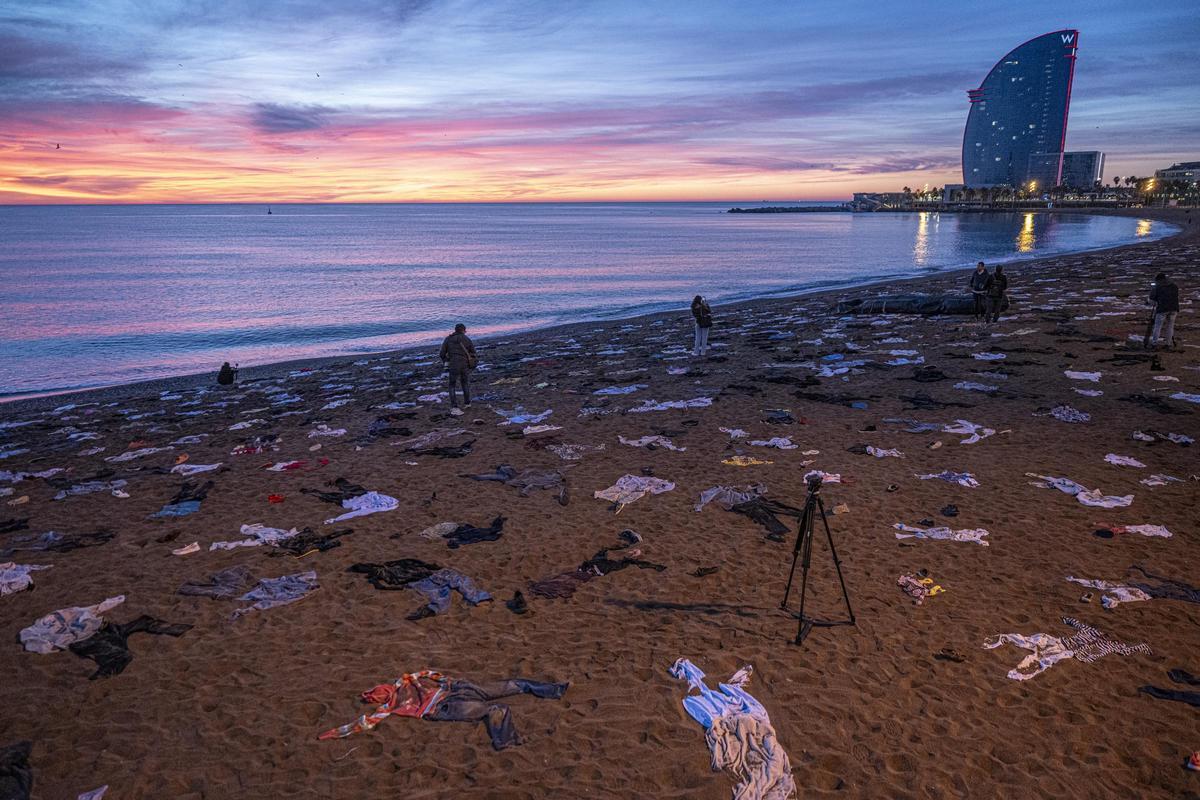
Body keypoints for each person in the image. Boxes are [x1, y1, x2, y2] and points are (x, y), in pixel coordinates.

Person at [439, 323, 477, 415]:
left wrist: (446, 361)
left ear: (455, 330)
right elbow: (474, 353)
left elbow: (442, 354)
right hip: (464, 364)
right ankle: (467, 403)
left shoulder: (448, 339)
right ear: (463, 330)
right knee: (464, 383)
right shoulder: (467, 339)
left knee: (452, 385)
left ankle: (454, 406)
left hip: (453, 365)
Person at [1146, 272, 1180, 350]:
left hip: (1162, 309)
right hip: (1174, 308)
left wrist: (1148, 301)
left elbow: (1152, 300)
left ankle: (1154, 343)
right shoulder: (1174, 286)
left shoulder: (1157, 287)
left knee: (1157, 326)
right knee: (1170, 326)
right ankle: (1168, 344)